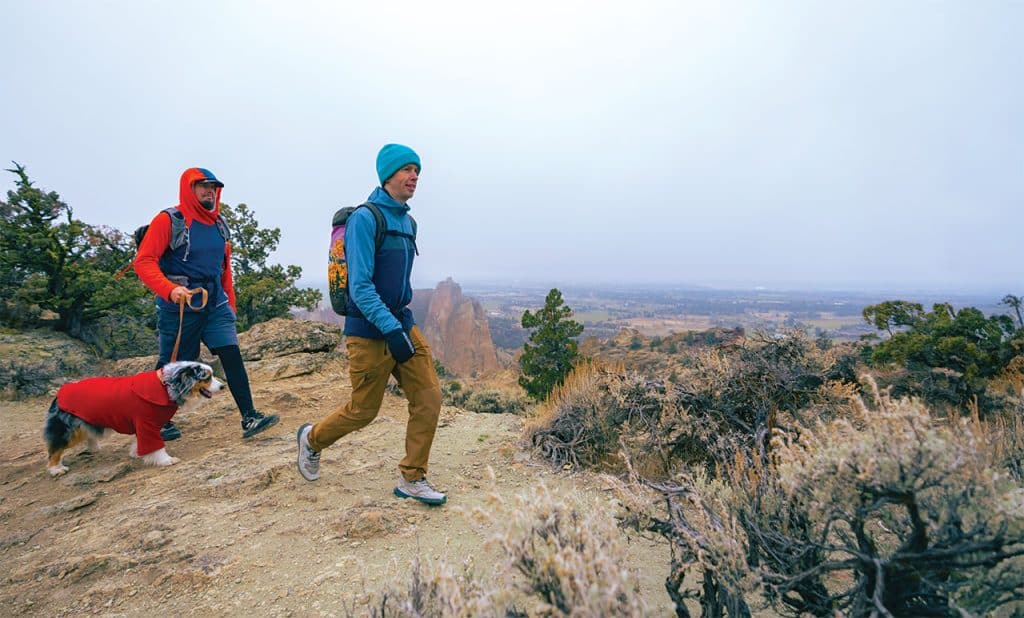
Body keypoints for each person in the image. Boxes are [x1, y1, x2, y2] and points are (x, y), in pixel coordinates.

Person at [296, 144, 445, 505]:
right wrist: (390, 330)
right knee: (364, 410)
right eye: (407, 170)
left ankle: (412, 477)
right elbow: (360, 287)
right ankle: (311, 439)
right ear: (388, 174)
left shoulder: (408, 222)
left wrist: (400, 327)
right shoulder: (366, 218)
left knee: (429, 397)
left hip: (401, 323)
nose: (414, 177)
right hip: (369, 332)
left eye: (417, 171)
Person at [135, 167, 279, 441]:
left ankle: (249, 417)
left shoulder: (218, 224)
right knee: (172, 365)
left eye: (213, 186)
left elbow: (224, 269)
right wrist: (169, 289)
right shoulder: (169, 220)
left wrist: (230, 305)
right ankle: (154, 422)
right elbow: (144, 261)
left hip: (215, 305)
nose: (209, 191)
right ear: (188, 189)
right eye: (202, 186)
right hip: (179, 308)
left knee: (232, 356)